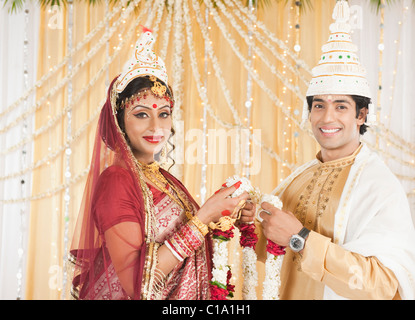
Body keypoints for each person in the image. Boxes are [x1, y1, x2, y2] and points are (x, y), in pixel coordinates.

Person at [69, 27, 255, 300]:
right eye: (141, 114)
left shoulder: (162, 179)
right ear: (119, 120)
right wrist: (204, 217)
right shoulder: (116, 180)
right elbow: (139, 283)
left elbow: (187, 238)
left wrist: (226, 215)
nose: (156, 127)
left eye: (164, 114)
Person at [259, 0, 415, 300]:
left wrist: (300, 238)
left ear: (361, 115)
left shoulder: (378, 187)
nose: (327, 118)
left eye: (341, 106)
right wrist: (251, 219)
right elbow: (271, 247)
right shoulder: (299, 177)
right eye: (319, 106)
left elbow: (382, 285)